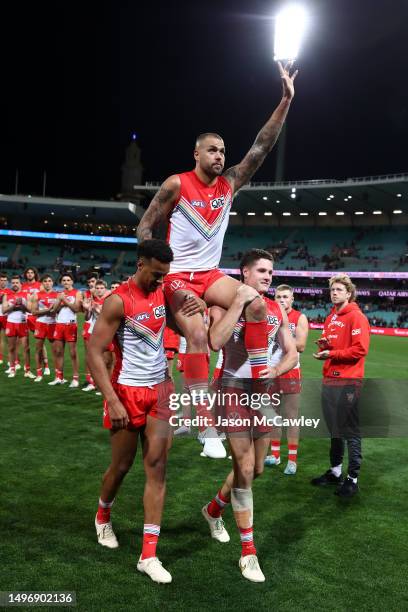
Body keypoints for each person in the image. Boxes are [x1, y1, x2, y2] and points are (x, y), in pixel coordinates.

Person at [136, 62, 298, 451]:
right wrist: (160, 273)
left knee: (256, 304)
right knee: (196, 334)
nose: (220, 156)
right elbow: (144, 230)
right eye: (213, 149)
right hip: (178, 276)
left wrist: (286, 99)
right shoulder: (177, 184)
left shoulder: (230, 184)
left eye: (224, 151)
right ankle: (207, 428)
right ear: (196, 152)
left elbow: (262, 146)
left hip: (209, 274)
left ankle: (258, 390)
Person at [88, 239, 203, 585]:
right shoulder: (117, 301)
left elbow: (190, 329)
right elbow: (95, 352)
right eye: (155, 275)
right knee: (121, 466)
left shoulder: (164, 291)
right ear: (140, 265)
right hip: (126, 391)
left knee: (157, 466)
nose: (159, 281)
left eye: (164, 276)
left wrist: (198, 306)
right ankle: (102, 515)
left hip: (160, 392)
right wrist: (112, 399)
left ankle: (148, 555)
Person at [202, 249, 297, 583]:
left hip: (263, 393)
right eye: (261, 270)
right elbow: (215, 341)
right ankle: (248, 553)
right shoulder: (222, 304)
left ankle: (213, 510)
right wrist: (239, 303)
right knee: (243, 467)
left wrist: (274, 370)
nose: (268, 276)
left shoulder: (275, 309)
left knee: (255, 469)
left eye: (270, 271)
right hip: (232, 390)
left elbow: (291, 352)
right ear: (244, 272)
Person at [311, 274, 370, 498]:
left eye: (339, 289)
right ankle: (335, 471)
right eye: (332, 289)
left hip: (348, 381)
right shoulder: (330, 318)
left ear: (348, 293)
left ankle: (352, 478)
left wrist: (332, 352)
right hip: (330, 379)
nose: (334, 292)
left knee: (350, 431)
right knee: (334, 429)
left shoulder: (357, 317)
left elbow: (360, 349)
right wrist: (326, 345)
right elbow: (336, 345)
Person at [264, 285, 309, 474]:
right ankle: (275, 455)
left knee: (291, 418)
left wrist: (282, 336)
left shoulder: (299, 317)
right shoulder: (270, 316)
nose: (282, 300)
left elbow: (301, 345)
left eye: (285, 297)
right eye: (279, 297)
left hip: (290, 373)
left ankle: (292, 460)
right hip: (271, 372)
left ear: (292, 299)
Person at [49, 273, 82, 387]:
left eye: (68, 280)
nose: (66, 282)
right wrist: (60, 302)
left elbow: (77, 308)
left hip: (70, 325)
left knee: (73, 353)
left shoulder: (77, 293)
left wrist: (64, 301)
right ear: (62, 282)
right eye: (64, 280)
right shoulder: (59, 294)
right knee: (58, 352)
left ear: (72, 282)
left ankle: (75, 379)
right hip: (59, 324)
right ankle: (59, 377)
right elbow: (54, 310)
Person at [2, 275, 33, 378]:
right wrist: (14, 304)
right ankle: (12, 369)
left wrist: (22, 305)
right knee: (11, 348)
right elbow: (4, 310)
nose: (15, 284)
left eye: (17, 283)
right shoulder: (7, 295)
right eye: (13, 283)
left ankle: (27, 371)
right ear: (11, 284)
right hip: (11, 323)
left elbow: (30, 310)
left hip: (22, 323)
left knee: (26, 348)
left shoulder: (26, 295)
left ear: (20, 284)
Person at [30, 275, 59, 382]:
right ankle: (39, 374)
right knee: (38, 349)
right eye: (45, 281)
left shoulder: (57, 295)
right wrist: (48, 310)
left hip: (53, 324)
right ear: (42, 283)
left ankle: (58, 376)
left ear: (52, 283)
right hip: (40, 324)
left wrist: (51, 310)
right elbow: (33, 312)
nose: (47, 283)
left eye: (49, 281)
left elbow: (58, 311)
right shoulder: (36, 295)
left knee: (56, 351)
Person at [22, 267, 50, 375]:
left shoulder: (40, 285)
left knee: (40, 343)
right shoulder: (22, 286)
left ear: (35, 274)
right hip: (24, 317)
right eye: (28, 272)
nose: (29, 274)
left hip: (36, 317)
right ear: (25, 274)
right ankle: (27, 369)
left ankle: (46, 365)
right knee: (25, 345)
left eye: (31, 272)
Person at [82, 272, 99, 391]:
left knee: (104, 357)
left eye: (93, 282)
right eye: (89, 282)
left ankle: (102, 382)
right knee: (89, 355)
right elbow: (86, 314)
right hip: (88, 326)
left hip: (101, 328)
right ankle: (91, 381)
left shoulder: (105, 294)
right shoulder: (86, 294)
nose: (90, 284)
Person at [0, 273, 12, 365]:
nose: (3, 282)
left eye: (4, 280)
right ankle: (0, 358)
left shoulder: (10, 291)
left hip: (6, 317)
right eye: (1, 280)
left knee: (9, 339)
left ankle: (10, 359)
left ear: (7, 282)